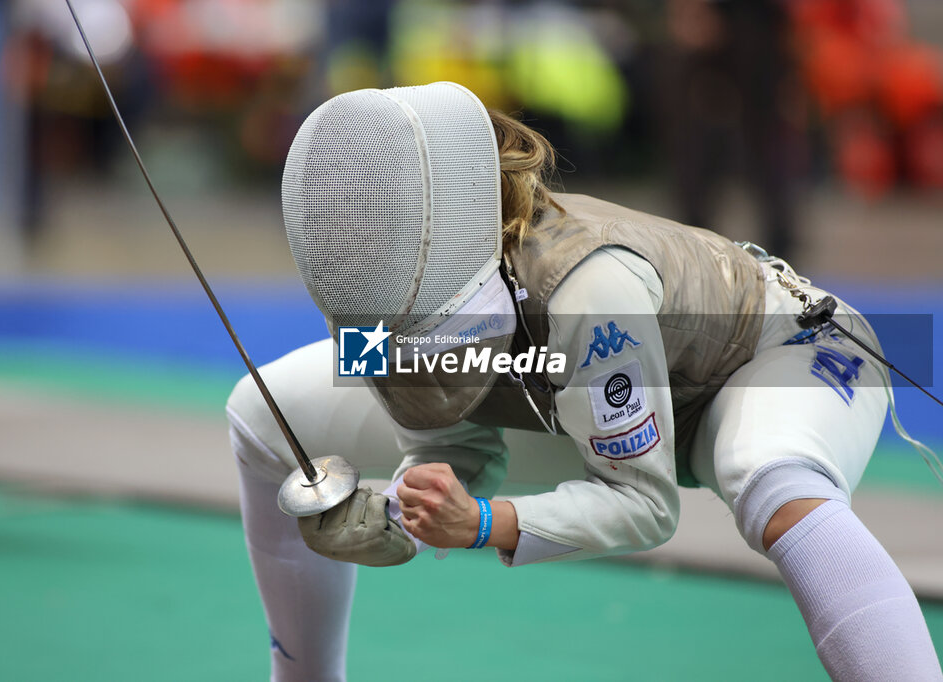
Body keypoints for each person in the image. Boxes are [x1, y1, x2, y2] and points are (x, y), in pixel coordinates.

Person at [226, 82, 941, 681]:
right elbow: (456, 445)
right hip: (574, 398)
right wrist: (399, 518)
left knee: (769, 476)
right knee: (262, 411)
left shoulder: (586, 287)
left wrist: (481, 525)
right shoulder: (385, 302)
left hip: (767, 360)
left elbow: (643, 502)